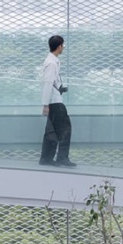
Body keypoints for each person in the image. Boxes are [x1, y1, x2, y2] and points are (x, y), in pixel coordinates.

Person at [40, 35, 76, 168]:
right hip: (54, 102)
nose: (63, 48)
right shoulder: (51, 63)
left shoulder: (52, 61)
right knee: (65, 128)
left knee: (52, 131)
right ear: (59, 46)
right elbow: (48, 83)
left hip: (53, 99)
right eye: (63, 45)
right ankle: (62, 158)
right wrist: (45, 104)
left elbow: (52, 83)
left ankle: (46, 158)